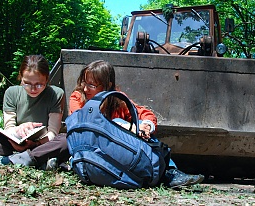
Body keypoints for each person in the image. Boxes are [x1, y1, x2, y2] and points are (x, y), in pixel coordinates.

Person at [68, 60, 205, 188]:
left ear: (108, 85)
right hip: (91, 148)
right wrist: (125, 127)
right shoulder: (78, 97)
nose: (85, 89)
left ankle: (170, 171)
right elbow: (81, 124)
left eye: (91, 85)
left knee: (133, 126)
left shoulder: (117, 99)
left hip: (114, 152)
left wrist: (145, 125)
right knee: (118, 123)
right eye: (84, 83)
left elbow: (144, 113)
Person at [0, 55, 69, 169]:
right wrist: (18, 131)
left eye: (39, 84)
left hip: (41, 144)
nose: (33, 89)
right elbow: (9, 127)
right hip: (13, 143)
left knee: (66, 140)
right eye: (27, 83)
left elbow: (53, 132)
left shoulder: (56, 94)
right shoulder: (12, 92)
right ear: (20, 77)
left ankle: (8, 159)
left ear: (47, 79)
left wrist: (36, 143)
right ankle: (37, 160)